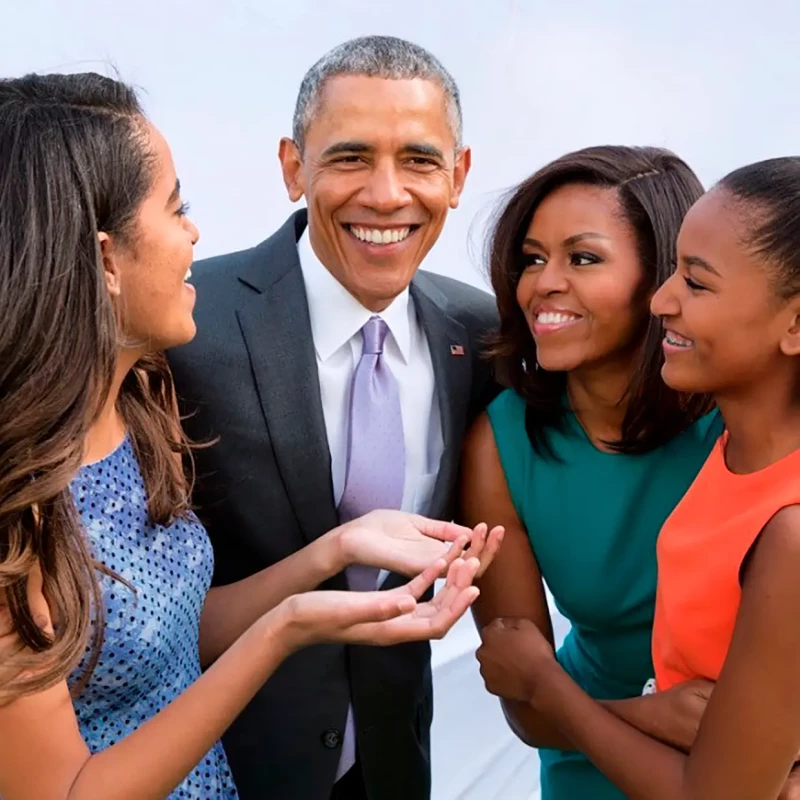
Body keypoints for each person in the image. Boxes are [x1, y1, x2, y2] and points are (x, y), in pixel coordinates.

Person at [0, 71, 498, 800]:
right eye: (178, 209)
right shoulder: (18, 501)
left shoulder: (138, 406)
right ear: (107, 261)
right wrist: (287, 627)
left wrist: (336, 550)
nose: (195, 233)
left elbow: (163, 634)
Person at [168, 36, 500, 800]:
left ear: (458, 176)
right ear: (294, 167)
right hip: (211, 769)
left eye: (419, 160)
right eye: (350, 157)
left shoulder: (484, 337)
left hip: (392, 767)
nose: (386, 195)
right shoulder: (188, 324)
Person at [476, 157, 800, 799]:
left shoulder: (739, 434)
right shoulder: (506, 441)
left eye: (584, 258)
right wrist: (633, 713)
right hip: (593, 762)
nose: (545, 284)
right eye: (532, 259)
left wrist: (549, 688)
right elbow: (519, 683)